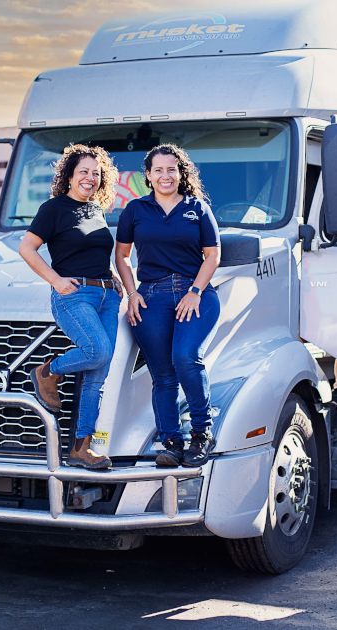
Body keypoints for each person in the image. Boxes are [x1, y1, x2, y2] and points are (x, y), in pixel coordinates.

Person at [114, 144, 221, 468]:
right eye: (158, 170)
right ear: (148, 175)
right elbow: (121, 256)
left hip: (196, 295)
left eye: (171, 169)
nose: (165, 175)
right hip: (152, 297)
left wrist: (194, 290)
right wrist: (132, 293)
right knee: (162, 375)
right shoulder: (135, 210)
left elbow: (213, 255)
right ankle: (171, 442)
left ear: (180, 172)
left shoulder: (197, 208)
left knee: (185, 357)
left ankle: (202, 432)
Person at [20, 144, 123, 470]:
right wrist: (55, 279)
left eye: (96, 173)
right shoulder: (54, 208)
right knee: (98, 351)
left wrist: (112, 278)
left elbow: (94, 252)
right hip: (74, 295)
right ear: (69, 176)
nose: (90, 178)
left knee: (96, 378)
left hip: (107, 295)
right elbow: (27, 248)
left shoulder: (96, 211)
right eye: (84, 172)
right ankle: (46, 371)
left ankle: (81, 448)